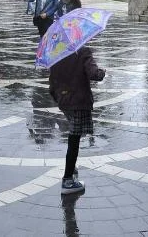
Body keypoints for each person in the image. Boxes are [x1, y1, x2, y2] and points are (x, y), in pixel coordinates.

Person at [49, 47, 106, 194]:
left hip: (64, 100)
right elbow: (94, 74)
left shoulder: (56, 53)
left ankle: (71, 167)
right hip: (79, 102)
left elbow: (52, 82)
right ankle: (67, 180)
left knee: (74, 133)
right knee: (74, 139)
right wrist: (102, 72)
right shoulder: (83, 52)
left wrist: (58, 97)